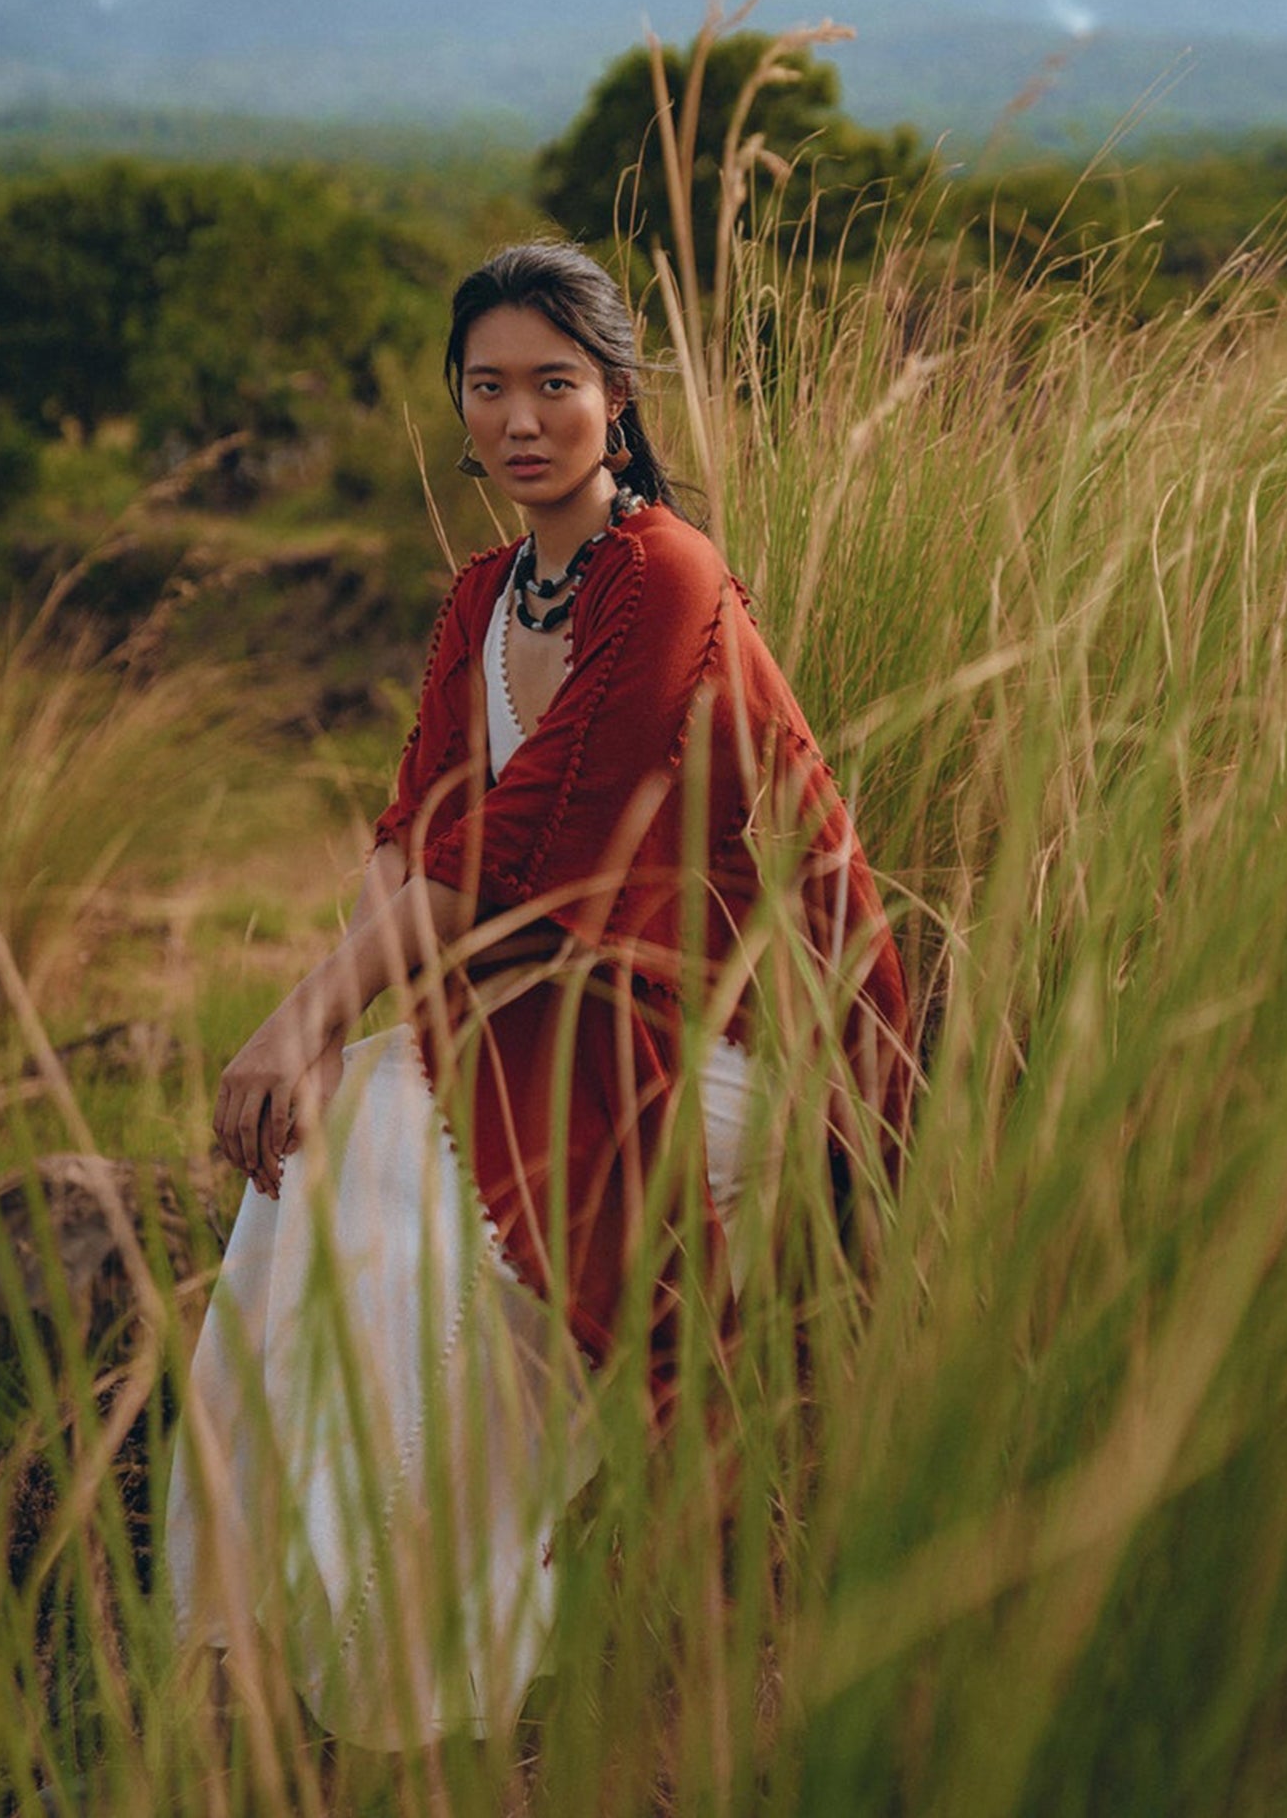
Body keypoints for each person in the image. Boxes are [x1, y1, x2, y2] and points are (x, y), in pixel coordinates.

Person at [166, 241, 912, 1750]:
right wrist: (339, 1015)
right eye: (487, 386)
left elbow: (514, 853)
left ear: (617, 399)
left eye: (553, 385)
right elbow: (416, 831)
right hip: (528, 1014)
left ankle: (415, 1662)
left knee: (419, 1230)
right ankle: (263, 1631)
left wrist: (300, 1014)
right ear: (456, 404)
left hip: (685, 1035)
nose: (520, 418)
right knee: (315, 1171)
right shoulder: (481, 597)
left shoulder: (669, 576)